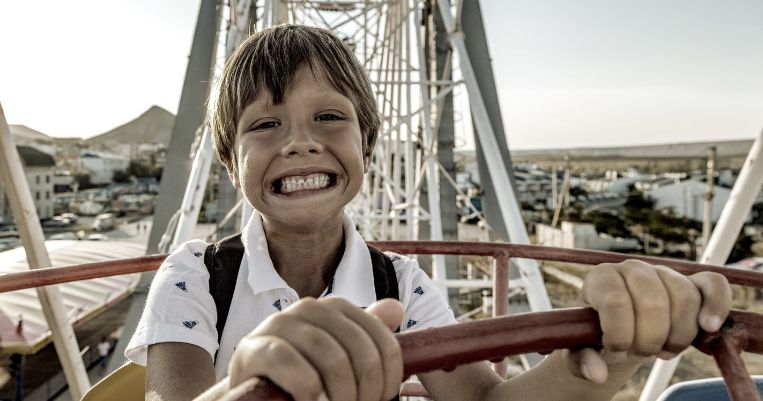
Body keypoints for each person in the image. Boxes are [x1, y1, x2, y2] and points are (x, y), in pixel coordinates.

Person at [125, 25, 732, 401]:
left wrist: (617, 342)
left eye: (329, 117)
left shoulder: (401, 284)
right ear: (231, 164)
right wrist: (247, 389)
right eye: (264, 125)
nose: (299, 142)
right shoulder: (194, 277)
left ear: (367, 146)